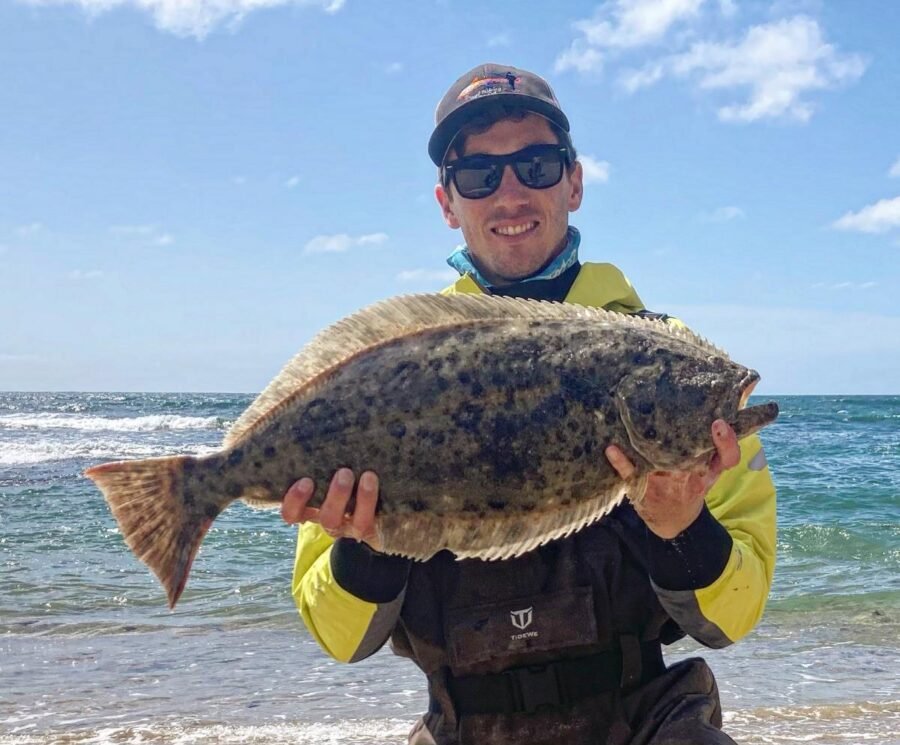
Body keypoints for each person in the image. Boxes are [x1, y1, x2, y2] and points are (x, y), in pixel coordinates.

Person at [280, 63, 776, 745]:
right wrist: (371, 546)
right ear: (447, 202)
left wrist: (683, 526)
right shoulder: (389, 373)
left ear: (574, 182)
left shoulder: (677, 360)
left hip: (643, 722)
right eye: (480, 176)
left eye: (537, 165)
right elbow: (339, 636)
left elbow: (733, 617)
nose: (510, 193)